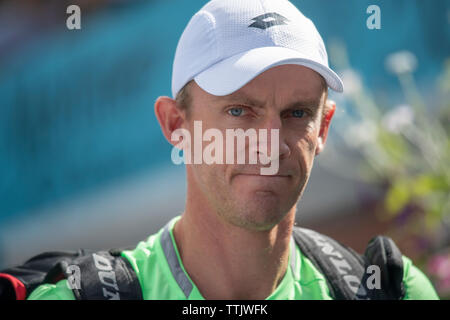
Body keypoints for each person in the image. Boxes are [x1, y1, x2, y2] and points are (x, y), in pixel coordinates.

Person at [27, 0, 439, 300]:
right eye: (240, 110)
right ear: (176, 124)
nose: (270, 142)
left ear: (323, 128)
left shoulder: (392, 292)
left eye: (297, 112)